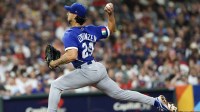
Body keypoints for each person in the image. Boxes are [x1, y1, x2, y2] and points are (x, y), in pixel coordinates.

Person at [47, 2, 177, 112]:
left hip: (87, 71)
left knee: (56, 85)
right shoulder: (91, 29)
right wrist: (110, 15)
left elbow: (72, 55)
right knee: (120, 93)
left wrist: (55, 63)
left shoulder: (69, 33)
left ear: (75, 15)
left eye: (70, 11)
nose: (67, 13)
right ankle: (156, 102)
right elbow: (111, 28)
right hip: (97, 68)